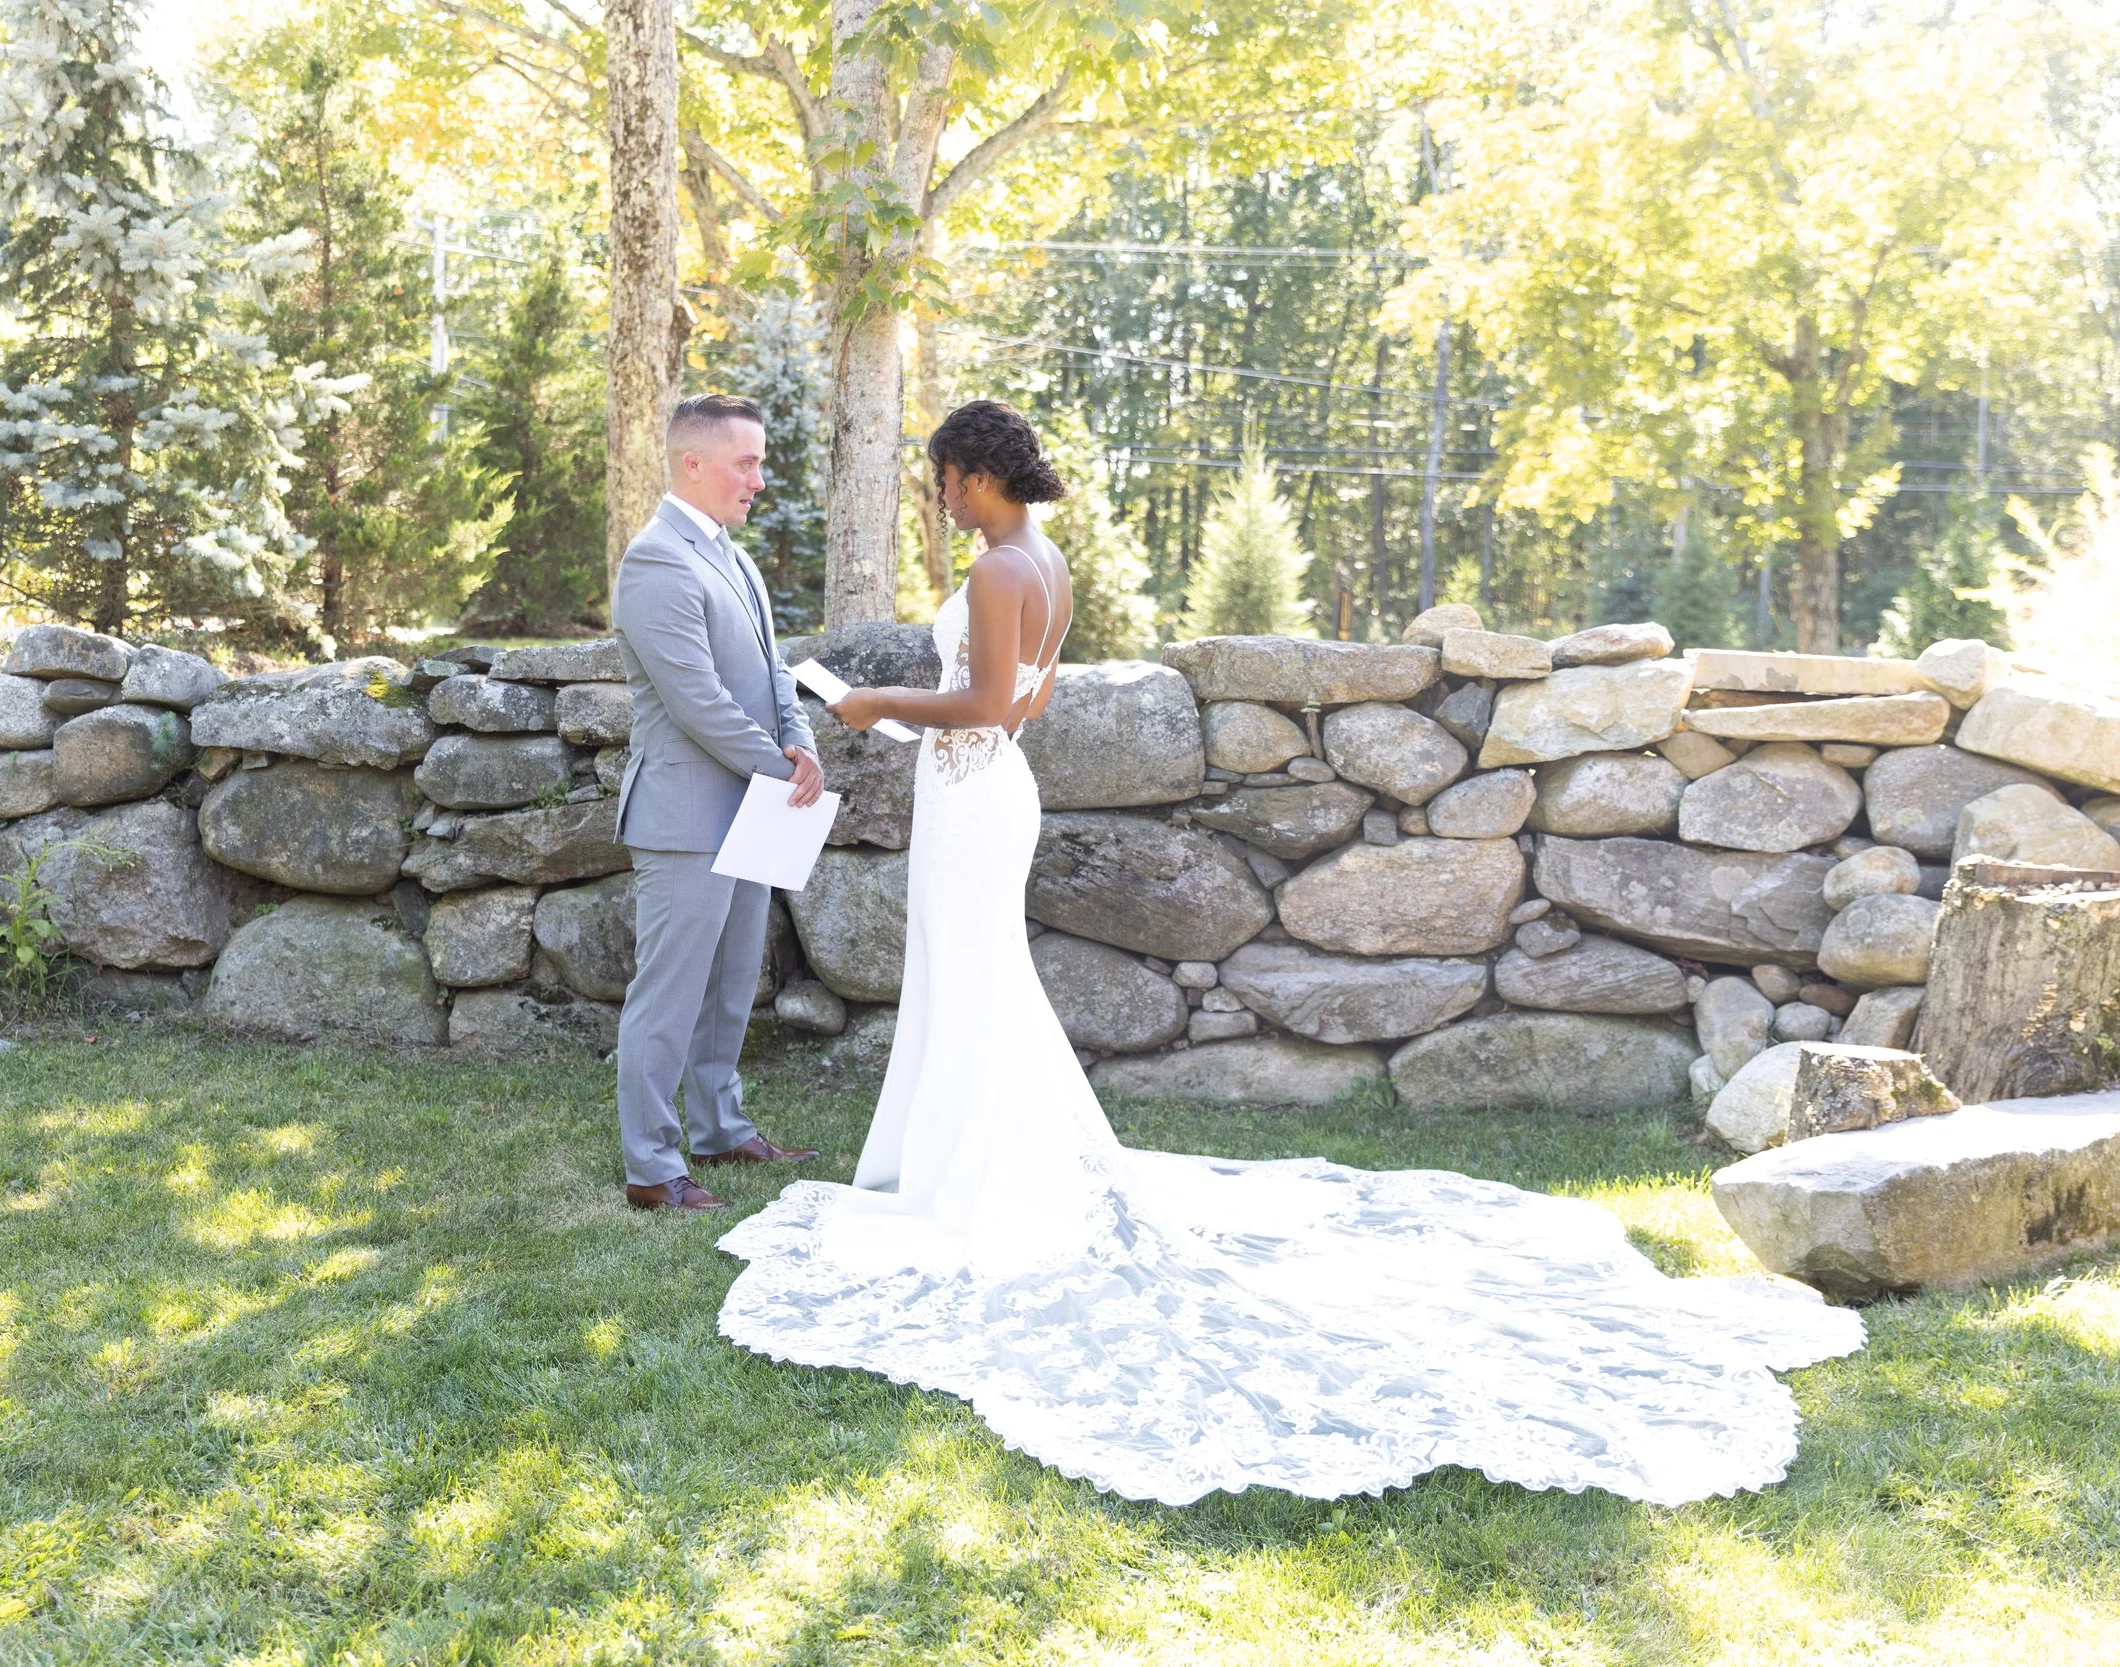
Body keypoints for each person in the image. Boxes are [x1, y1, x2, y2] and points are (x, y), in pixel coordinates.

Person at [714, 399, 1865, 1507]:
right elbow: (1029, 700)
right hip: (986, 784)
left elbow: (980, 698)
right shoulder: (1046, 563)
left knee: (974, 979)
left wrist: (869, 701)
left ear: (975, 474)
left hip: (971, 793)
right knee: (976, 980)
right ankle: (959, 1161)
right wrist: (939, 714)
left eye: (943, 479)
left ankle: (978, 1178)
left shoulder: (995, 568)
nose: (941, 499)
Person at [608, 394, 823, 1213]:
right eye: (747, 462)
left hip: (755, 805)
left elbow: (775, 672)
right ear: (692, 463)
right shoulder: (656, 560)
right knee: (670, 994)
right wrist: (781, 766)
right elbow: (695, 700)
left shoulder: (732, 554)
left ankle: (721, 1130)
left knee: (733, 985)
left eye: (761, 462)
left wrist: (799, 741)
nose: (760, 480)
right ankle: (652, 1167)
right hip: (687, 813)